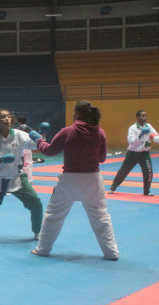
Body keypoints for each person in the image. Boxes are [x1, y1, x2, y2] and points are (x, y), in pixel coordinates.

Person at [29, 100, 119, 260]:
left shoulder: (68, 131)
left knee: (54, 214)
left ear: (77, 114)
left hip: (70, 179)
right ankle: (111, 252)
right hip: (93, 179)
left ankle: (43, 249)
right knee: (101, 216)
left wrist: (39, 140)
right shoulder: (100, 132)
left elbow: (49, 151)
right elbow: (102, 158)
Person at [0, 109, 43, 239]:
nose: (6, 119)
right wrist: (0, 159)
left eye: (8, 117)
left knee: (35, 202)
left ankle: (37, 231)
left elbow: (34, 145)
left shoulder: (19, 135)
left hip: (16, 176)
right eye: (3, 117)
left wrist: (40, 136)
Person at [108, 110, 158, 196]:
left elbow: (155, 134)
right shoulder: (132, 128)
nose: (145, 117)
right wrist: (140, 135)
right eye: (142, 116)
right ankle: (113, 187)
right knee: (123, 171)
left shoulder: (148, 126)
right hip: (133, 153)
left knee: (149, 171)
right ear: (137, 117)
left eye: (146, 116)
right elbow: (131, 142)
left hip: (145, 153)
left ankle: (147, 191)